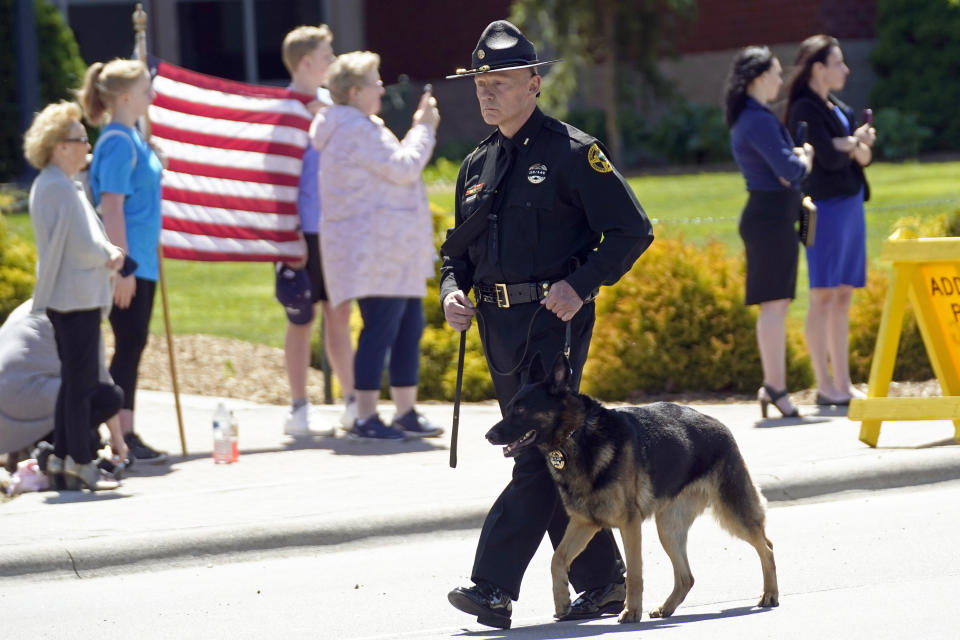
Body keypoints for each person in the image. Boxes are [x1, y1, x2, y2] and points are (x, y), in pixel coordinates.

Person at [440, 21, 654, 629]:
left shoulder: (571, 152)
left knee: (534, 452)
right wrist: (453, 292)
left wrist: (580, 284)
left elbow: (632, 231)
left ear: (533, 83)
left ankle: (492, 588)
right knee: (554, 452)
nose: (488, 92)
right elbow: (456, 254)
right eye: (481, 81)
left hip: (554, 323)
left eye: (501, 81)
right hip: (499, 331)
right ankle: (606, 580)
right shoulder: (477, 165)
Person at [310, 51, 443, 441]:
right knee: (380, 329)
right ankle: (365, 416)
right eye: (375, 82)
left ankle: (405, 411)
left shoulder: (361, 126)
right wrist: (424, 127)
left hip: (390, 251)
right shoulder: (353, 129)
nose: (382, 88)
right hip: (373, 252)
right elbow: (403, 168)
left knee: (407, 326)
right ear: (354, 91)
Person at [23, 101, 126, 491]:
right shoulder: (57, 187)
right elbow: (82, 244)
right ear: (59, 146)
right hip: (74, 299)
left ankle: (67, 457)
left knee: (74, 381)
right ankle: (81, 461)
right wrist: (111, 255)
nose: (87, 146)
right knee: (80, 383)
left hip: (71, 298)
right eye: (81, 139)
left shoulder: (58, 184)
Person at [80, 58, 168, 463]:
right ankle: (118, 432)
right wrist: (124, 267)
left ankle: (123, 429)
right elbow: (112, 207)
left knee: (133, 345)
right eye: (146, 89)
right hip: (129, 264)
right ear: (126, 96)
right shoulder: (117, 142)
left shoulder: (130, 138)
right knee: (128, 345)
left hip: (143, 260)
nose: (152, 95)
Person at [786, 35, 876, 406]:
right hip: (823, 208)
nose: (846, 69)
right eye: (838, 63)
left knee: (843, 295)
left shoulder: (839, 107)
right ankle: (825, 385)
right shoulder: (803, 108)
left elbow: (862, 157)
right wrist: (850, 145)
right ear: (818, 67)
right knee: (823, 294)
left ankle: (844, 382)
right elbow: (827, 156)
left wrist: (854, 143)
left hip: (851, 205)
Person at [724, 46, 813, 418]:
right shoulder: (757, 118)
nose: (781, 79)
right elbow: (790, 170)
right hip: (769, 218)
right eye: (777, 73)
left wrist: (790, 162)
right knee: (774, 306)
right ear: (760, 77)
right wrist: (804, 156)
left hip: (772, 217)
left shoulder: (754, 115)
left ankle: (774, 386)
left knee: (776, 305)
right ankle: (775, 387)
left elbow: (783, 168)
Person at [278, 25, 356, 437]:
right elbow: (276, 180)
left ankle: (351, 403)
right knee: (301, 318)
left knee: (340, 315)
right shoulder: (284, 112)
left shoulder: (331, 106)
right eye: (327, 55)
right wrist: (286, 235)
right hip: (300, 233)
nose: (333, 61)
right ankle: (298, 408)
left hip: (335, 232)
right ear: (307, 62)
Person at [0, 300, 130, 481]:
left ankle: (31, 449)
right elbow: (100, 378)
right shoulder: (79, 312)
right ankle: (60, 453)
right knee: (109, 397)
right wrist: (118, 440)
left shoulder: (27, 308)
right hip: (30, 397)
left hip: (6, 412)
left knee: (67, 387)